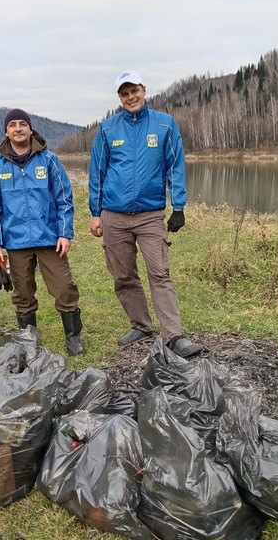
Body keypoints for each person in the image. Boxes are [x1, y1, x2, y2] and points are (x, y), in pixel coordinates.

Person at [88, 71, 203, 358]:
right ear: (119, 97)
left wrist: (178, 206)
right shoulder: (107, 129)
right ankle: (140, 324)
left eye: (134, 91)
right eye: (124, 93)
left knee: (160, 273)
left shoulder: (164, 125)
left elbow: (175, 165)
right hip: (114, 214)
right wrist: (95, 212)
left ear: (144, 89)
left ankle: (174, 336)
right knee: (123, 274)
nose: (130, 97)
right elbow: (97, 173)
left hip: (150, 214)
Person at [0, 108, 84, 356]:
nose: (18, 128)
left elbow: (64, 199)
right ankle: (29, 343)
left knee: (64, 288)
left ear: (30, 129)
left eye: (22, 124)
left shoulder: (49, 160)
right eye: (12, 125)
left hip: (50, 239)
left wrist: (64, 233)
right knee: (23, 294)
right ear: (6, 131)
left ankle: (73, 339)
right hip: (15, 243)